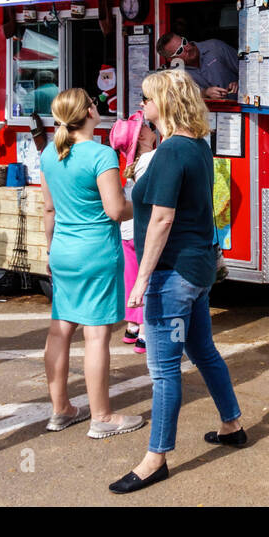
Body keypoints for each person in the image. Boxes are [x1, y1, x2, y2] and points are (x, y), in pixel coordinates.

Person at [110, 68, 243, 494]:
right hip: (197, 268)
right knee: (203, 349)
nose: (142, 107)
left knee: (164, 370)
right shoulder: (196, 144)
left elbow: (163, 219)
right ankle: (231, 424)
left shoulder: (170, 152)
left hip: (173, 271)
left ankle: (156, 458)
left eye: (147, 99)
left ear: (164, 103)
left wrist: (141, 279)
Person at [39, 88, 143, 440]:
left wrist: (50, 250)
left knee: (60, 330)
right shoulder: (101, 155)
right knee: (96, 335)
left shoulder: (49, 154)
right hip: (96, 251)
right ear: (87, 112)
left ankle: (61, 410)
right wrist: (143, 204)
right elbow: (116, 210)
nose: (98, 107)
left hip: (63, 251)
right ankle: (102, 416)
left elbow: (49, 209)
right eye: (94, 104)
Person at [110, 110, 158, 354]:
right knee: (146, 279)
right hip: (143, 231)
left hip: (126, 230)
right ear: (141, 137)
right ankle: (144, 332)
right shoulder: (151, 159)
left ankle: (131, 325)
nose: (151, 128)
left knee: (131, 277)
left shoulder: (127, 164)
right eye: (147, 127)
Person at [156, 31, 239, 100]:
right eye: (180, 50)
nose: (187, 48)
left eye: (184, 42)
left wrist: (240, 83)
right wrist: (205, 93)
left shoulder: (215, 47)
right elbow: (180, 98)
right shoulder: (175, 74)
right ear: (172, 59)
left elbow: (247, 68)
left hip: (242, 108)